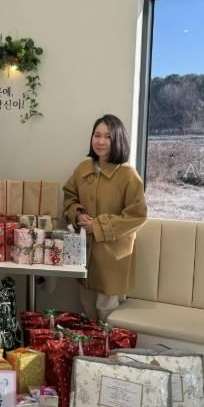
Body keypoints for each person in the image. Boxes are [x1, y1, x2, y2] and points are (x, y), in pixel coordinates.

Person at [63, 114, 147, 320]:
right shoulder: (82, 169)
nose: (100, 141)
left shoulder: (128, 175)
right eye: (97, 135)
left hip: (112, 258)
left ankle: (107, 343)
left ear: (118, 139)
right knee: (86, 307)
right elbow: (69, 197)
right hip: (84, 254)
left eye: (108, 137)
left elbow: (137, 215)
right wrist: (78, 214)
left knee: (107, 311)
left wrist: (99, 226)